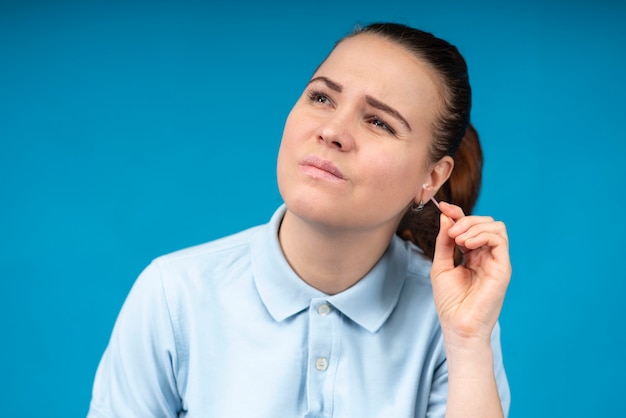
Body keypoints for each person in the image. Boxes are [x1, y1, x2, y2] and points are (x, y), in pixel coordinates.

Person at [87, 22, 511, 418]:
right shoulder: (173, 295)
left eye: (379, 121)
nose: (332, 130)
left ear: (431, 178)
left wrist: (469, 341)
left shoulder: (452, 317)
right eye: (322, 97)